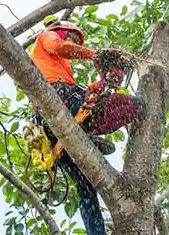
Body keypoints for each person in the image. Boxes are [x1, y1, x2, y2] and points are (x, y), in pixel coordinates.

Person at [28, 19, 146, 235]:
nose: (74, 44)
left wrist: (105, 81)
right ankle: (86, 134)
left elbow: (87, 93)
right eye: (72, 38)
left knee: (86, 189)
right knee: (78, 98)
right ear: (61, 31)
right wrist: (95, 54)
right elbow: (59, 47)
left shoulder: (63, 72)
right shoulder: (47, 37)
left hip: (69, 120)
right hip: (56, 110)